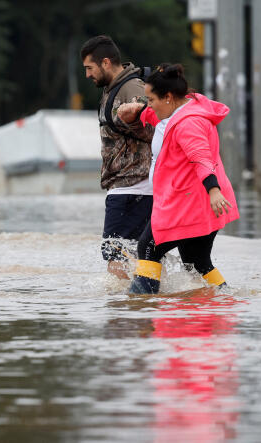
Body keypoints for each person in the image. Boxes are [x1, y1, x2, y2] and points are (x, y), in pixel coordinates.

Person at [116, 63, 239, 294]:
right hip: (198, 202)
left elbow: (201, 158)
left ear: (169, 97)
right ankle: (224, 298)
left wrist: (213, 191)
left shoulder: (189, 123)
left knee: (148, 247)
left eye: (150, 99)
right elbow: (161, 116)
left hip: (190, 202)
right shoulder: (188, 106)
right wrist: (139, 110)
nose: (148, 104)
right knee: (196, 260)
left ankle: (141, 306)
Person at [80, 35, 153, 279]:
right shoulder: (115, 88)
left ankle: (123, 314)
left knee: (116, 260)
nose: (87, 75)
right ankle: (143, 308)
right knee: (135, 257)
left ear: (106, 63)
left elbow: (157, 128)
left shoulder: (131, 89)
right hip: (133, 189)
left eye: (90, 68)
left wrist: (135, 117)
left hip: (131, 188)